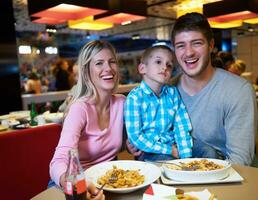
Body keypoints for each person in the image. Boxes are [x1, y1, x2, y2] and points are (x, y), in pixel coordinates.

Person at [170, 12, 257, 165]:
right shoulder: (166, 90)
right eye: (181, 45)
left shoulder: (238, 90)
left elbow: (240, 162)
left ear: (210, 45)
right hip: (181, 174)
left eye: (196, 43)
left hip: (227, 178)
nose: (189, 52)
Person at [49, 40, 125, 199]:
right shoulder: (79, 109)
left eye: (112, 62)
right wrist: (75, 185)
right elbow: (59, 160)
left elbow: (124, 142)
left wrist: (131, 145)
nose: (108, 68)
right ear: (86, 72)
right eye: (99, 63)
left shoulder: (121, 102)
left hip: (108, 183)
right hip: (73, 185)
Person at [124, 45, 193, 161]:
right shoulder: (135, 98)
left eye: (169, 65)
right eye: (158, 62)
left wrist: (186, 156)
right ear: (142, 69)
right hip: (148, 151)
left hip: (173, 144)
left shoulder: (173, 93)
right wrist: (169, 150)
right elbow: (136, 137)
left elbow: (181, 125)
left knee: (206, 151)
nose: (164, 67)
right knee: (169, 164)